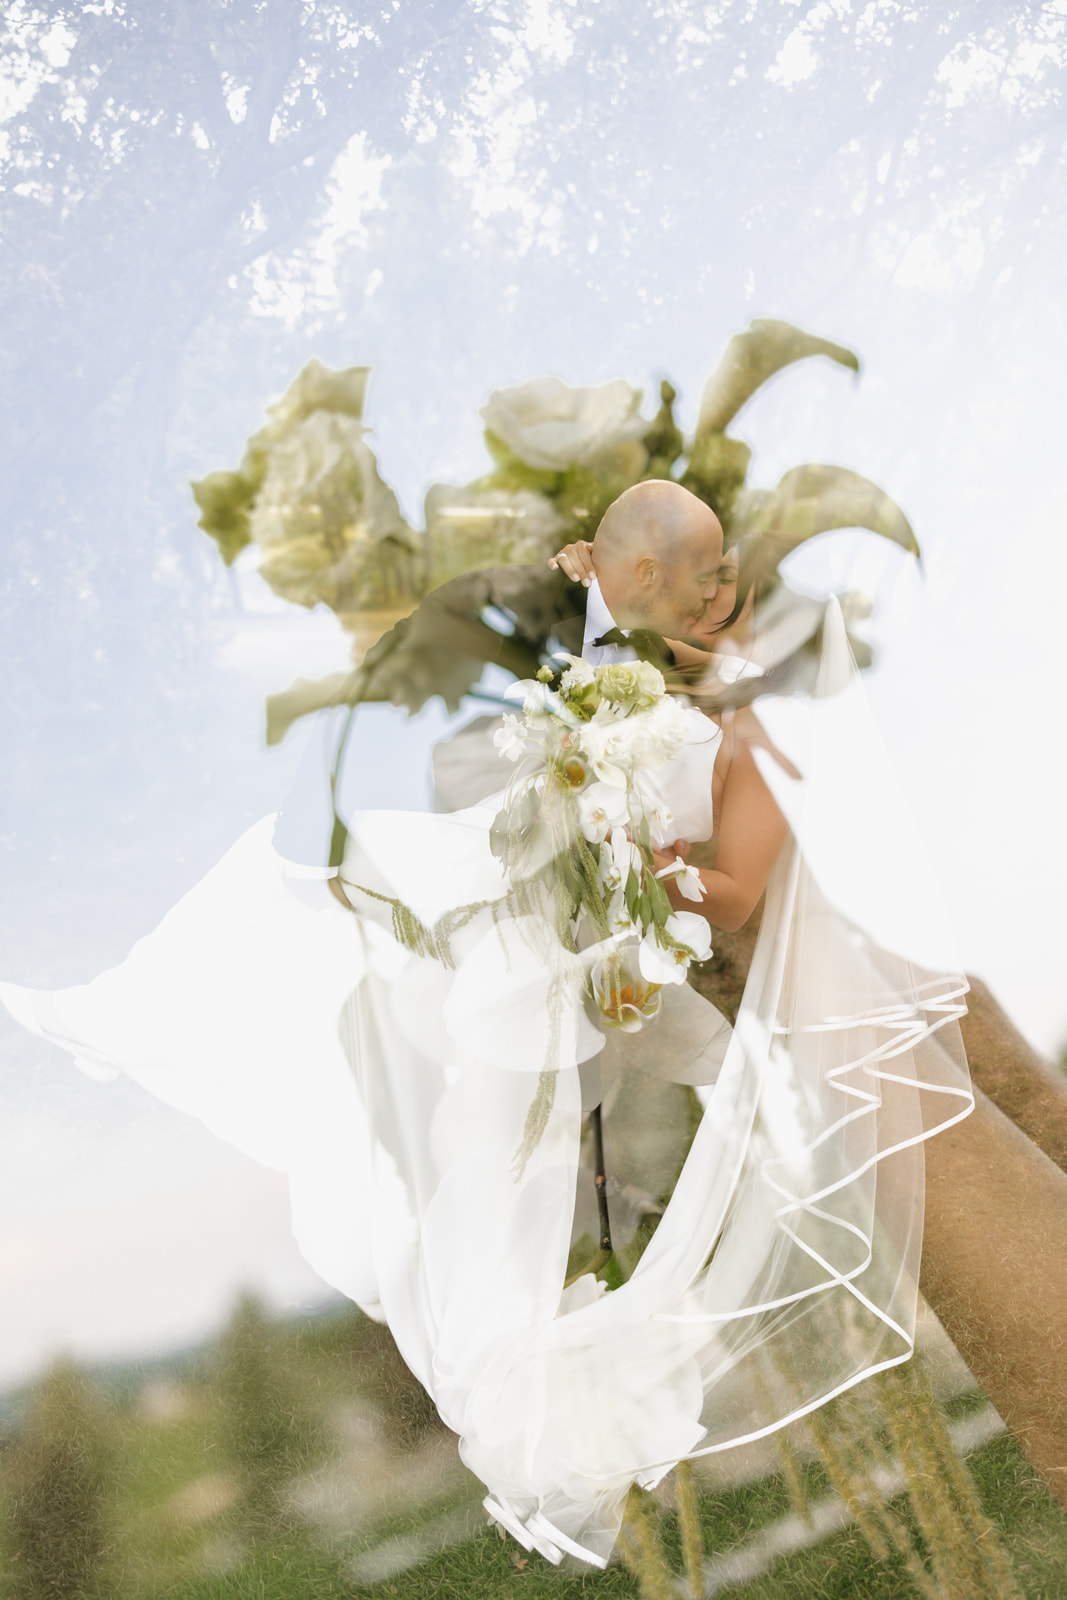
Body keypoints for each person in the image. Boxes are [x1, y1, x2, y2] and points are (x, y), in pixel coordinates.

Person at [0, 482, 973, 1569]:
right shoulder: (608, 692)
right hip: (523, 926)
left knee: (481, 1106)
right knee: (358, 967)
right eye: (650, 572)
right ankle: (461, 1290)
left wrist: (636, 889)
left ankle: (524, 1362)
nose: (685, 600)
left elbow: (734, 894)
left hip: (596, 968)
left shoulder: (733, 746)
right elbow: (578, 700)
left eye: (699, 582)